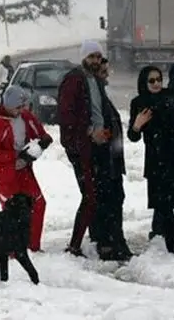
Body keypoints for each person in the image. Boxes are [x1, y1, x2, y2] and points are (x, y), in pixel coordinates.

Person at [58, 40, 132, 261]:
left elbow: (100, 111)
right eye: (91, 57)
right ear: (83, 58)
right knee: (91, 196)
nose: (96, 61)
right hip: (83, 149)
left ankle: (107, 241)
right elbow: (66, 115)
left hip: (101, 147)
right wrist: (90, 132)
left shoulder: (94, 81)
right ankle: (78, 245)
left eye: (98, 57)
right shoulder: (74, 80)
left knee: (105, 195)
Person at [127, 65, 174, 253]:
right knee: (163, 207)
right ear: (144, 82)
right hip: (156, 161)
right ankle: (173, 247)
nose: (156, 84)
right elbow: (133, 136)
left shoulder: (171, 96)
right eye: (151, 80)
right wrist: (137, 125)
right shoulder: (139, 103)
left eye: (158, 80)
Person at [0, 85, 53, 251]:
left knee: (38, 204)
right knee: (12, 213)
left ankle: (33, 246)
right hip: (6, 174)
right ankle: (13, 250)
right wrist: (14, 157)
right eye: (18, 107)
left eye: (23, 105)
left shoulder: (26, 117)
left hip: (24, 171)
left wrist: (43, 142)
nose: (22, 109)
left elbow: (41, 134)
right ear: (8, 106)